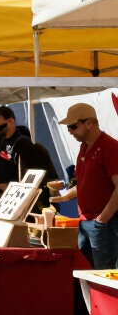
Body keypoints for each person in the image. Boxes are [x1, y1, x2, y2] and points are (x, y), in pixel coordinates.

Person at [50, 103, 118, 269]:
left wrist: (102, 219)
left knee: (102, 274)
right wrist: (64, 197)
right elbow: (86, 182)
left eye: (73, 126)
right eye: (68, 128)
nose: (70, 132)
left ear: (89, 123)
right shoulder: (84, 147)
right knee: (83, 270)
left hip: (102, 224)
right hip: (86, 222)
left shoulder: (109, 147)